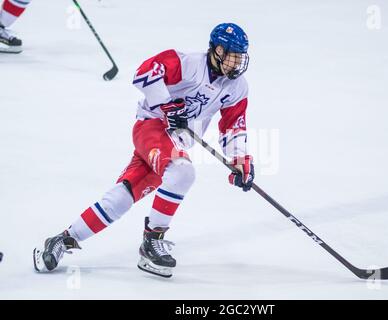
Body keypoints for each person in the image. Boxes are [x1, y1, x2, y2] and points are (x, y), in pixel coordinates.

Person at [33, 23, 255, 278]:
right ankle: (152, 240)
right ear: (217, 51)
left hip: (175, 142)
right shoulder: (188, 63)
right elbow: (144, 72)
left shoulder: (237, 87)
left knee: (123, 196)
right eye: (233, 57)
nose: (237, 63)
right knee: (183, 172)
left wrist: (240, 159)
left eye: (241, 58)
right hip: (151, 127)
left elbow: (233, 126)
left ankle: (62, 239)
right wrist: (166, 106)